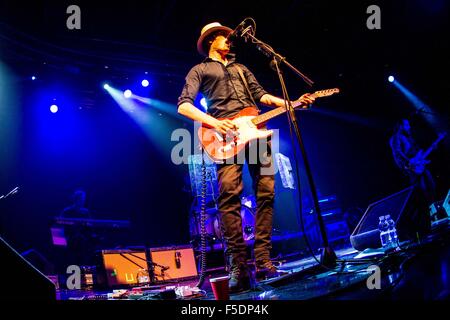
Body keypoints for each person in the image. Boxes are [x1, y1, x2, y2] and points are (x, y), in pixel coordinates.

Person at [177, 22, 315, 292]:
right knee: (229, 195)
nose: (228, 40)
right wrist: (215, 124)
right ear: (209, 42)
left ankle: (263, 261)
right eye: (221, 36)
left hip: (257, 132)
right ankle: (238, 266)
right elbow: (184, 105)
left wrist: (291, 103)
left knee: (267, 192)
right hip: (224, 135)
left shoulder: (242, 68)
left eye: (228, 37)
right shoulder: (200, 69)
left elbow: (261, 95)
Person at [389, 119, 437, 205]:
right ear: (400, 126)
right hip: (410, 167)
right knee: (421, 190)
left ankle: (434, 206)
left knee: (431, 185)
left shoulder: (409, 137)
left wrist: (422, 159)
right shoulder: (396, 137)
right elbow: (397, 153)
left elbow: (415, 151)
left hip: (418, 164)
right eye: (406, 125)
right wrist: (407, 164)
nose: (409, 127)